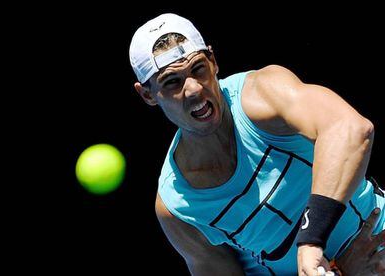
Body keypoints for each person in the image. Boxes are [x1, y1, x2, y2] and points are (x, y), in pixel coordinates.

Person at [129, 13, 384, 275]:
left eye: (198, 69)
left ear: (213, 61)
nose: (193, 89)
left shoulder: (263, 93)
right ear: (147, 94)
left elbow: (352, 128)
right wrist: (339, 270)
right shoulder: (178, 206)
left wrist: (311, 241)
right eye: (172, 82)